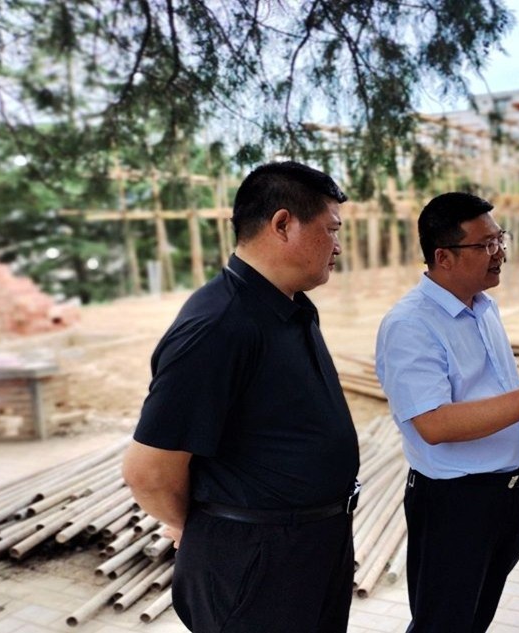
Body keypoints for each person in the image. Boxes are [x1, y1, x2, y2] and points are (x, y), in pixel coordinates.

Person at [122, 161, 360, 633]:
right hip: (256, 564)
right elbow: (148, 472)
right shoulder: (219, 326)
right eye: (331, 230)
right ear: (283, 224)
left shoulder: (289, 306)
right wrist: (204, 529)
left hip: (311, 547)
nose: (338, 245)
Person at [375, 192, 519, 633]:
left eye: (500, 239)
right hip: (455, 505)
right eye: (486, 245)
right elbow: (434, 423)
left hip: (504, 496)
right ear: (444, 256)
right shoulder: (411, 324)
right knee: (443, 624)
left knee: (473, 620)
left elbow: (493, 397)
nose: (500, 253)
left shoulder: (481, 308)